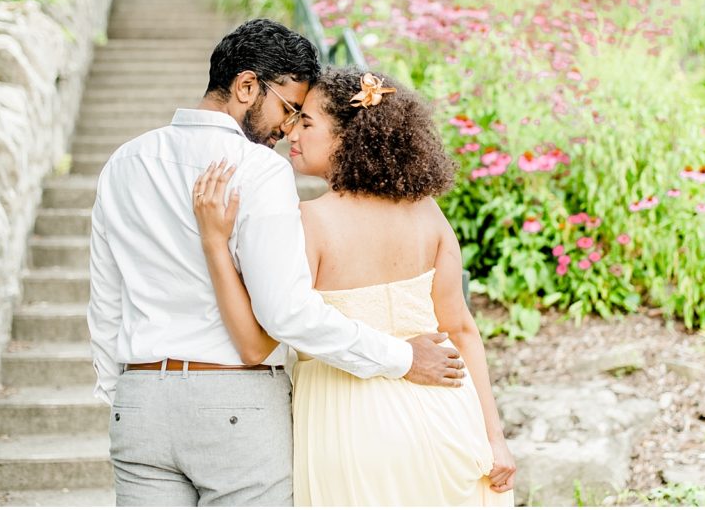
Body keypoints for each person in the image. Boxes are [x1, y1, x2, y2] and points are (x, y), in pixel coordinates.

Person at [87, 20, 464, 507]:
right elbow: (286, 314)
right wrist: (404, 357)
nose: (287, 130)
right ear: (246, 86)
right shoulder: (257, 169)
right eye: (288, 110)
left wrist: (118, 395)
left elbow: (104, 300)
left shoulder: (124, 162)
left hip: (138, 403)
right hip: (234, 405)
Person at [192, 67, 516, 506]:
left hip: (349, 429)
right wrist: (493, 438)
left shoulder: (308, 221)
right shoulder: (428, 214)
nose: (292, 134)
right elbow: (461, 330)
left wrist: (214, 240)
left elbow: (264, 333)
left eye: (306, 123)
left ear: (348, 138)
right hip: (447, 419)